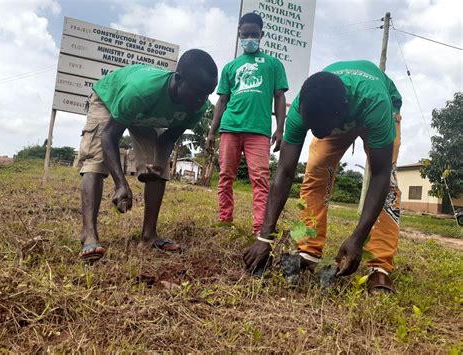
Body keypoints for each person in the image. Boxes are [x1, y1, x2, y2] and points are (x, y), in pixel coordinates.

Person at [244, 60, 402, 293]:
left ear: (340, 114)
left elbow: (379, 174)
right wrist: (264, 237)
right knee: (316, 172)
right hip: (337, 111)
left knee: (387, 185)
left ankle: (379, 267)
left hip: (378, 108)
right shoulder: (301, 110)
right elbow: (285, 171)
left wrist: (357, 237)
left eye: (320, 127)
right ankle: (308, 250)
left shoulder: (375, 104)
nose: (315, 133)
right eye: (310, 126)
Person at [77, 49, 218, 261]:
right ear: (178, 80)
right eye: (198, 92)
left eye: (208, 93)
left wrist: (155, 163)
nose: (202, 100)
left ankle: (149, 236)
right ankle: (89, 235)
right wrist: (120, 184)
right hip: (110, 100)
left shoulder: (197, 107)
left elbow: (168, 139)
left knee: (159, 169)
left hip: (144, 115)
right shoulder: (140, 91)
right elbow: (109, 136)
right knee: (95, 162)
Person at [206, 12, 288, 235]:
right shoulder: (230, 67)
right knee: (225, 177)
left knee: (260, 179)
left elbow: (280, 97)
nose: (249, 37)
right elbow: (222, 100)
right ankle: (225, 220)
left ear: (262, 34)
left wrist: (280, 128)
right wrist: (212, 131)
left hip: (258, 131)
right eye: (245, 34)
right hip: (230, 128)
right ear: (239, 35)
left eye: (254, 34)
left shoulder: (273, 65)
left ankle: (259, 228)